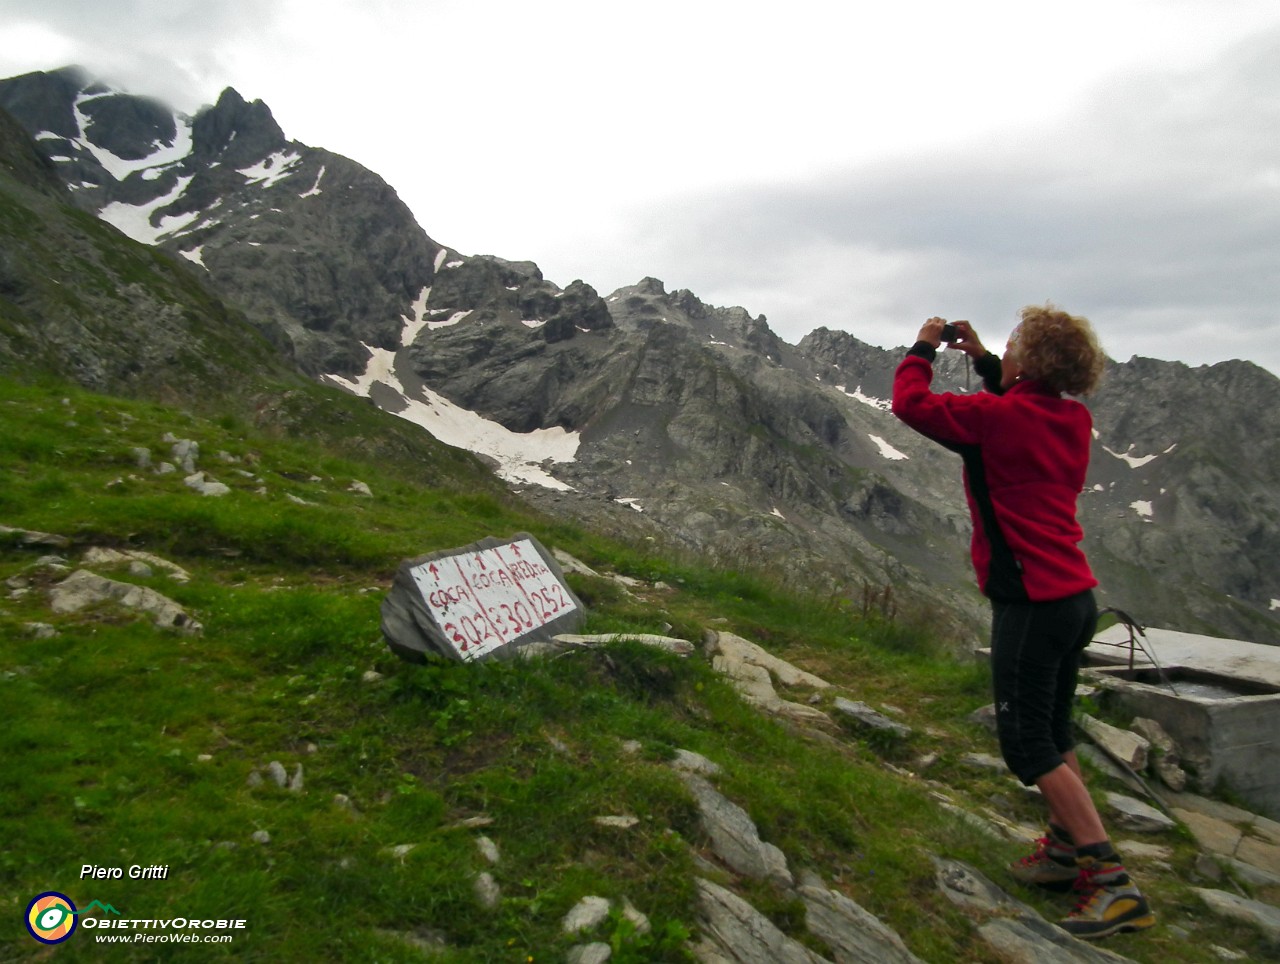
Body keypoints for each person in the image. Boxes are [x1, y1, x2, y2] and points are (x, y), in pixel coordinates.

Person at [891, 306, 1156, 941]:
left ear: (1026, 363)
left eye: (1011, 348)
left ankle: (1111, 881)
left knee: (1026, 743)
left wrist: (923, 347)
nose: (1002, 356)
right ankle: (1066, 853)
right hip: (1074, 601)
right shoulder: (1071, 417)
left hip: (1031, 604)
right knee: (1054, 728)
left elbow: (910, 404)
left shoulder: (994, 419)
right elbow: (1014, 404)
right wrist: (983, 357)